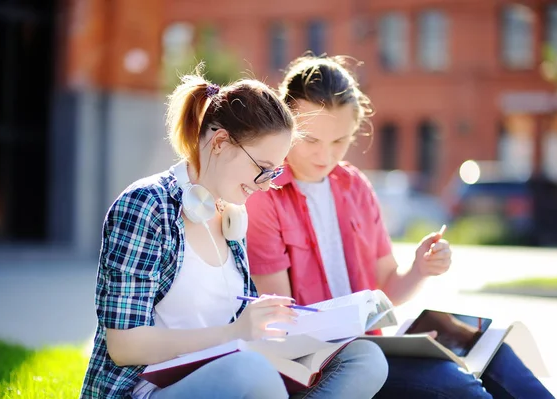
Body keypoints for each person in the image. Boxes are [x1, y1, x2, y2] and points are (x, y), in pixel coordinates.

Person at [245, 54, 555, 399]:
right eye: (311, 140)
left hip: (375, 345)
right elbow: (283, 322)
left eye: (339, 141)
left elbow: (386, 288)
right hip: (328, 361)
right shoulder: (264, 196)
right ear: (287, 126)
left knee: (496, 354)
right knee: (456, 384)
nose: (325, 156)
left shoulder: (354, 187)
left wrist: (420, 269)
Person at [80, 68, 388, 399]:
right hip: (144, 390)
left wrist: (272, 325)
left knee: (365, 358)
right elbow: (125, 346)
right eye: (262, 168)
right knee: (250, 373)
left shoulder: (232, 216)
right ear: (221, 142)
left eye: (276, 171)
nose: (269, 184)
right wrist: (234, 334)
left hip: (223, 374)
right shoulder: (147, 205)